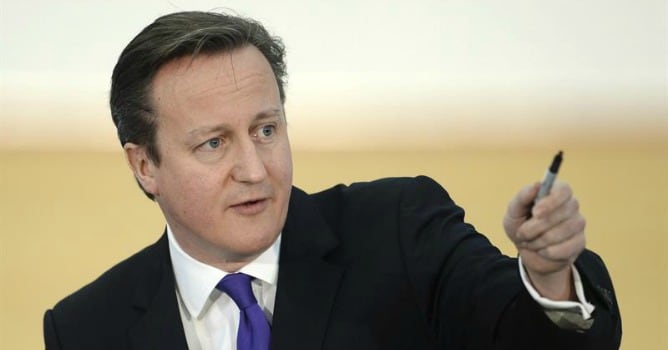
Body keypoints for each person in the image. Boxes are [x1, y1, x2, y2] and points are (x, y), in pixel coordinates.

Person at [43, 11, 622, 350]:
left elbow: (528, 338)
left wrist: (547, 277)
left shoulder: (399, 232)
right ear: (145, 165)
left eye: (266, 129)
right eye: (213, 143)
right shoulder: (86, 329)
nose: (253, 169)